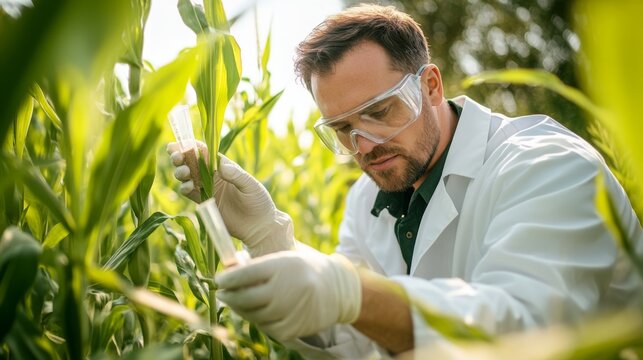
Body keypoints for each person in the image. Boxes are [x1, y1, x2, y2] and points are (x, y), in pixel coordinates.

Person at [167, 4, 643, 358]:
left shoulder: (546, 167)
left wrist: (347, 291)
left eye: (379, 112)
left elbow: (523, 331)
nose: (365, 145)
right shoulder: (368, 197)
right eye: (342, 129)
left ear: (431, 85)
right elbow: (356, 339)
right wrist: (267, 234)